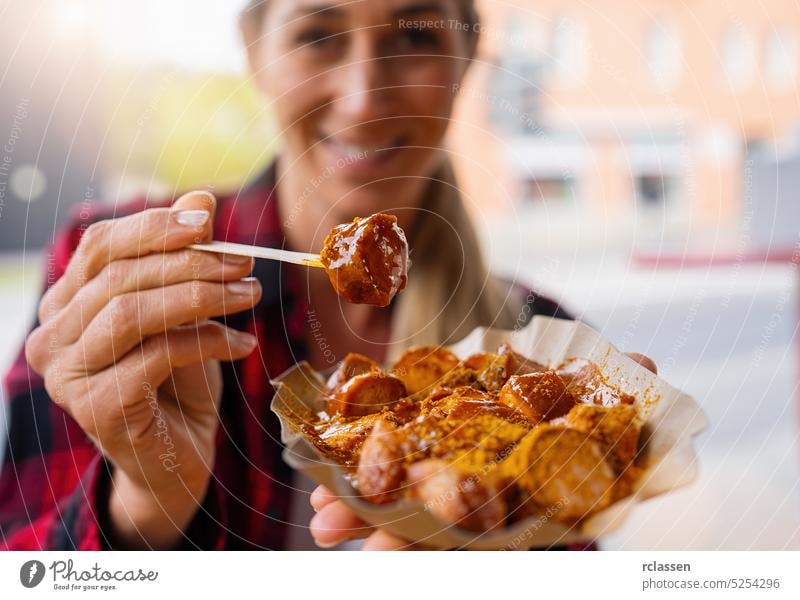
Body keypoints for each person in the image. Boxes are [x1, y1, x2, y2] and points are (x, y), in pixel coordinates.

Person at [0, 0, 655, 550]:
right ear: (256, 54)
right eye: (317, 35)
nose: (364, 98)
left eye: (414, 35)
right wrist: (148, 499)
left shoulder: (546, 360)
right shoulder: (132, 278)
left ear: (467, 56)